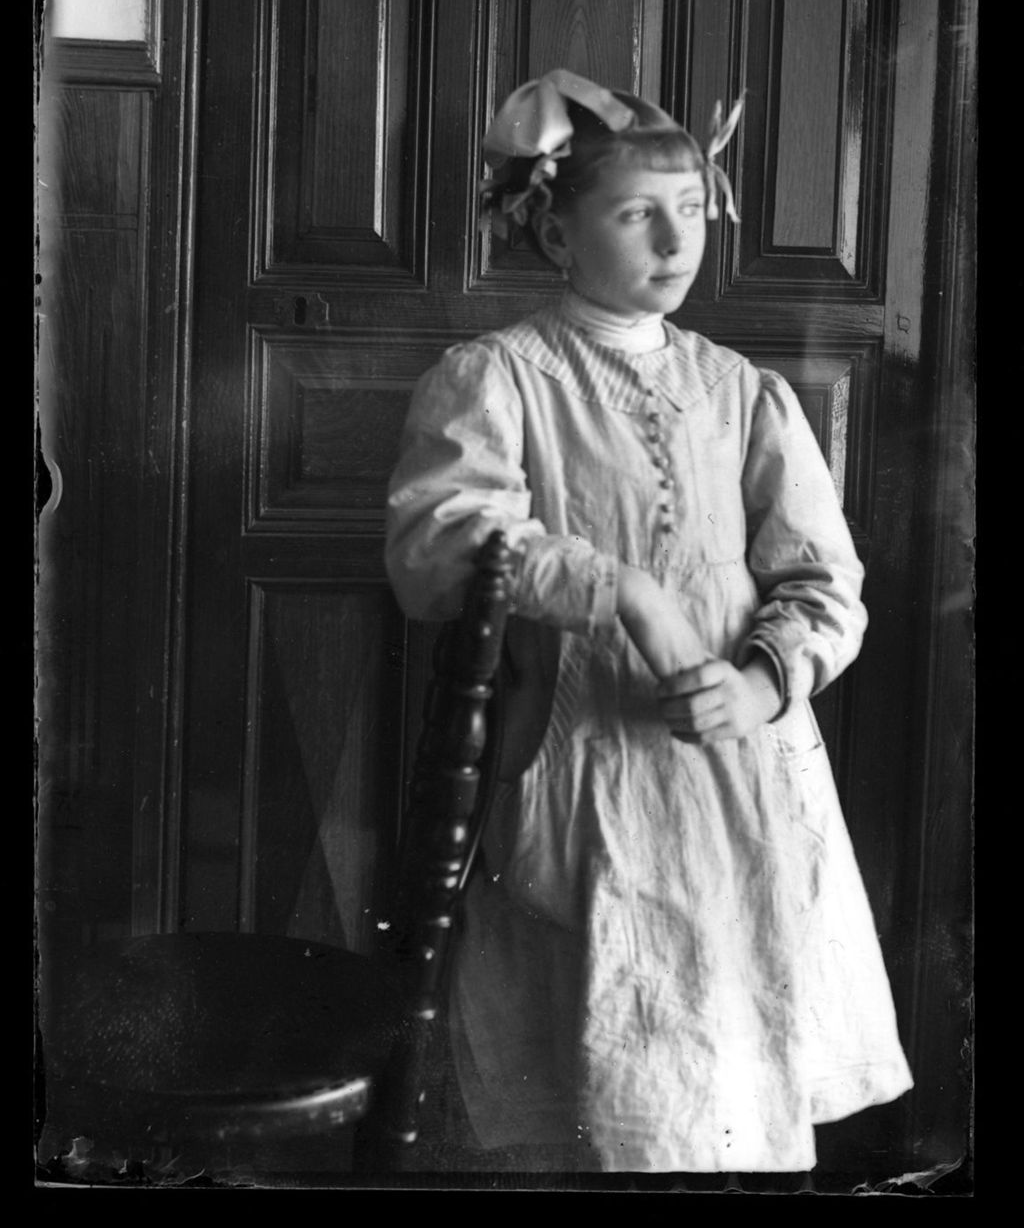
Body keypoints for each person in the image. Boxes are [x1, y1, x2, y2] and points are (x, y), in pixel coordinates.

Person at [385, 68, 912, 1175]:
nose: (675, 240)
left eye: (691, 211)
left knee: (723, 1045)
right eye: (635, 214)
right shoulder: (496, 381)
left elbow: (823, 581)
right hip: (579, 770)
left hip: (737, 770)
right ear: (555, 233)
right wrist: (624, 591)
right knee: (598, 1053)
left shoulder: (742, 394)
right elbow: (442, 546)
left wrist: (767, 680)